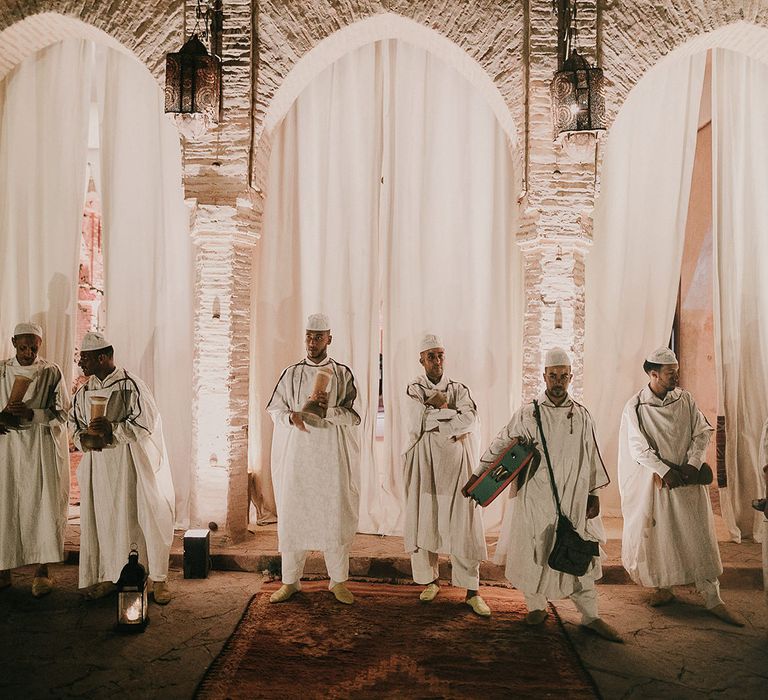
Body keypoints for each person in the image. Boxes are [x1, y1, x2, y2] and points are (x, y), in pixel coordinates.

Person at [473, 347, 622, 641]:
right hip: (535, 500)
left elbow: (591, 455)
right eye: (552, 375)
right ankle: (536, 607)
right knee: (535, 552)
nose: (557, 381)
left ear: (570, 377)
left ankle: (591, 616)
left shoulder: (580, 415)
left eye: (563, 376)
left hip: (573, 499)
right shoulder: (528, 413)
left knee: (578, 553)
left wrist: (593, 494)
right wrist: (480, 475)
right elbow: (503, 442)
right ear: (544, 376)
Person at [619, 346, 743, 625]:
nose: (676, 377)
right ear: (653, 374)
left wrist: (693, 463)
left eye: (676, 372)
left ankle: (713, 597)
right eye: (670, 373)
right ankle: (664, 588)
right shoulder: (635, 406)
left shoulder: (685, 399)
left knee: (697, 536)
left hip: (688, 482)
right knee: (662, 539)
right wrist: (664, 470)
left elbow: (702, 431)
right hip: (659, 485)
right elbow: (637, 448)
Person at [70, 331, 175, 604]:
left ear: (102, 357)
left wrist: (112, 430)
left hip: (131, 466)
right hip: (100, 467)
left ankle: (157, 580)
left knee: (144, 518)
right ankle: (110, 575)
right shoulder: (84, 390)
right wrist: (83, 437)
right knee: (105, 520)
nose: (81, 363)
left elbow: (146, 423)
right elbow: (74, 424)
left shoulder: (132, 385)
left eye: (86, 358)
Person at [266, 314, 360, 605]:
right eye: (308, 336)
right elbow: (274, 410)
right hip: (298, 457)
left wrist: (326, 412)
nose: (311, 342)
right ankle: (291, 581)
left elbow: (354, 416)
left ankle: (338, 581)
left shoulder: (342, 374)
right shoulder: (291, 373)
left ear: (329, 339)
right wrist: (292, 416)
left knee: (333, 515)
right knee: (294, 515)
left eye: (318, 337)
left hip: (330, 457)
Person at [402, 334, 489, 616]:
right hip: (426, 465)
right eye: (431, 356)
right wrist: (449, 414)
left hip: (456, 468)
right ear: (421, 360)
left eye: (440, 355)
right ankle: (430, 581)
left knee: (462, 523)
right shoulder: (414, 388)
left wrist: (436, 415)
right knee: (426, 519)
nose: (437, 361)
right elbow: (415, 421)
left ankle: (472, 590)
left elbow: (471, 419)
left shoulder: (459, 388)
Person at [0, 322, 69, 597]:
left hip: (39, 446)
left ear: (40, 344)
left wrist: (33, 415)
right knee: (6, 504)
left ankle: (42, 572)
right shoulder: (2, 370)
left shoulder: (51, 372)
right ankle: (4, 569)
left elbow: (63, 411)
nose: (27, 352)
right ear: (14, 342)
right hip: (7, 447)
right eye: (23, 346)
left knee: (42, 504)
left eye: (33, 347)